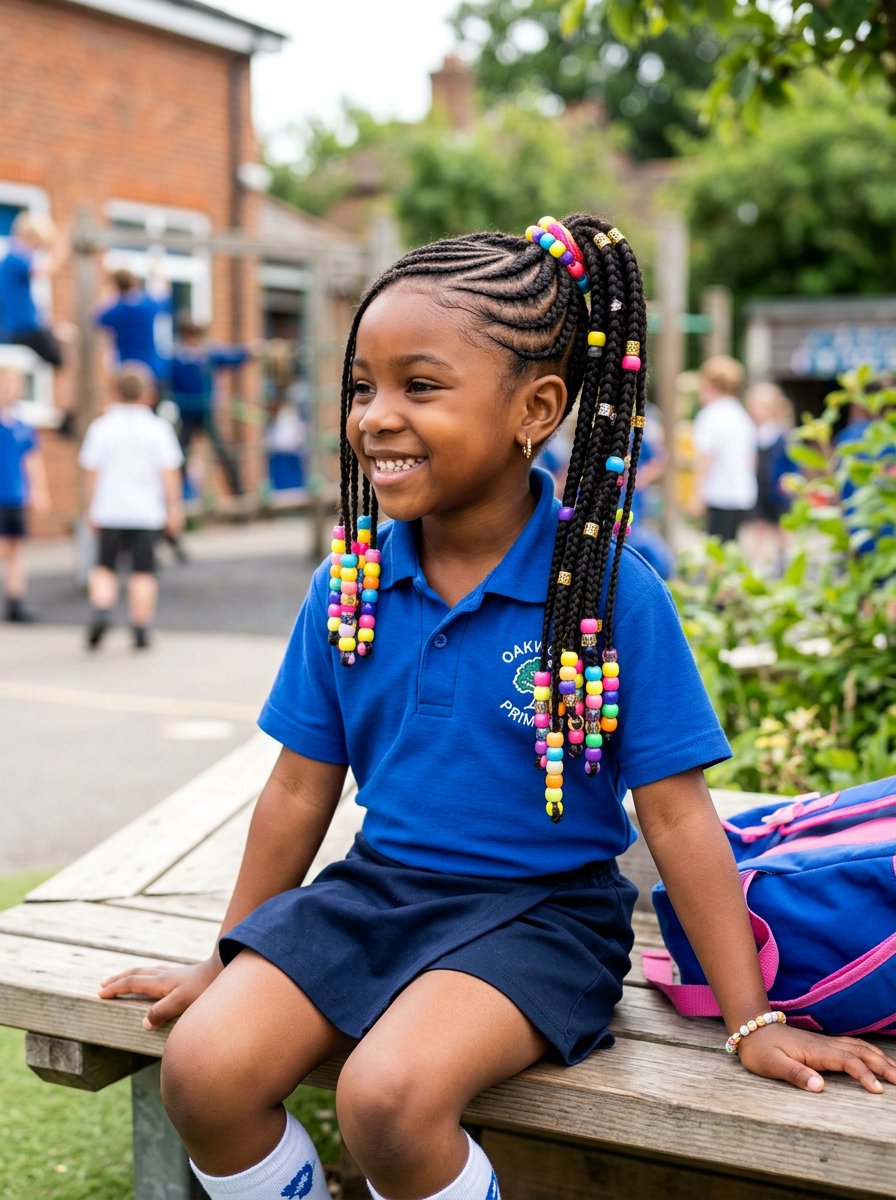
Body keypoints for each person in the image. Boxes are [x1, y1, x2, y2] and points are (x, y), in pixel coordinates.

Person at [98, 215, 896, 1200]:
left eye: (418, 386)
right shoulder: (348, 589)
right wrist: (230, 956)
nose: (374, 416)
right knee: (205, 1072)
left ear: (535, 408)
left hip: (542, 920)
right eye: (362, 386)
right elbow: (299, 791)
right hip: (373, 897)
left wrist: (750, 1018)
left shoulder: (607, 594)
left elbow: (678, 816)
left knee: (386, 1099)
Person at [78, 362, 183, 650]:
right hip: (146, 513)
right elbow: (169, 473)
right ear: (147, 393)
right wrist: (173, 507)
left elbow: (92, 472)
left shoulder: (101, 427)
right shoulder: (157, 428)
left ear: (115, 392)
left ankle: (101, 609)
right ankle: (140, 627)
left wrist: (90, 507)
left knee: (104, 566)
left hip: (109, 509)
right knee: (143, 571)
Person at [0, 212, 74, 432]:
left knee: (18, 369)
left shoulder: (10, 260)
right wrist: (63, 245)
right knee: (60, 360)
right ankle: (64, 413)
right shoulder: (16, 258)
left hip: (16, 327)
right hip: (22, 328)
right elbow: (47, 269)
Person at [171, 316, 251, 499]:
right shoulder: (177, 358)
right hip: (187, 413)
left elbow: (232, 357)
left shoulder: (208, 354)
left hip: (207, 412)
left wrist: (248, 352)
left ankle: (238, 491)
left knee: (222, 451)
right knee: (180, 453)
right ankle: (179, 494)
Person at [0, 364, 49, 622]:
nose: (9, 390)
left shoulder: (22, 424)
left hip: (15, 496)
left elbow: (32, 459)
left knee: (17, 548)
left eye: (14, 385)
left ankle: (15, 601)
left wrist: (39, 490)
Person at [692, 354, 757, 542]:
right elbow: (751, 459)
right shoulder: (741, 415)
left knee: (715, 549)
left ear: (710, 384)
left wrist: (697, 494)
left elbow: (706, 458)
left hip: (719, 492)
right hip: (742, 493)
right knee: (731, 546)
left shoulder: (711, 415)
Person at [94, 258, 171, 397]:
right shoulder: (148, 305)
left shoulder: (116, 311)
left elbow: (98, 318)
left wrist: (109, 292)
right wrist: (158, 273)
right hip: (151, 366)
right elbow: (164, 297)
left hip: (125, 366)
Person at [744, 380, 795, 575]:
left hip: (777, 490)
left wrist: (789, 480)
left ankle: (784, 564)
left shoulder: (781, 434)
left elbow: (792, 462)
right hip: (759, 488)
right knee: (759, 526)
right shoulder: (752, 433)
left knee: (781, 529)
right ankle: (756, 566)